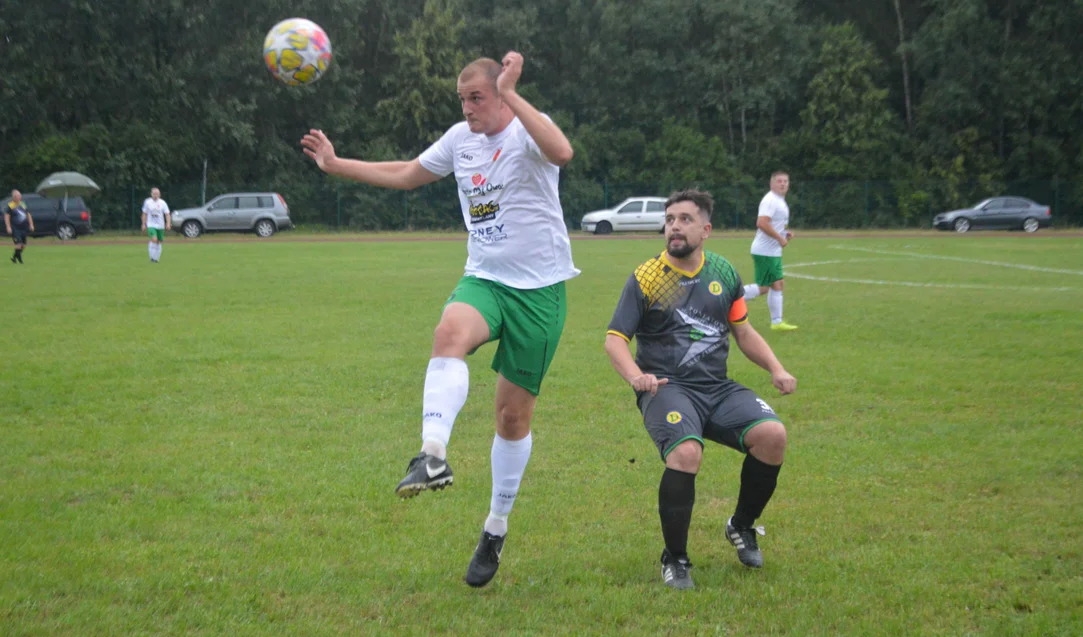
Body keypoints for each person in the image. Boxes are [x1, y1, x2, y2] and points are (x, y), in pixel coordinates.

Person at [300, 51, 578, 588]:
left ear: (501, 94)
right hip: (485, 279)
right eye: (462, 99)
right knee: (448, 331)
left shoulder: (526, 129)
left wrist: (513, 93)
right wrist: (336, 164)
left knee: (511, 420)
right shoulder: (459, 140)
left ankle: (495, 527)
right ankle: (432, 456)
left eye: (477, 98)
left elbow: (562, 152)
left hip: (540, 292)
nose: (468, 108)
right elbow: (408, 173)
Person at [604, 189, 797, 590]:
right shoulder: (647, 277)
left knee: (772, 435)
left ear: (705, 230)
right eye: (670, 219)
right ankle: (675, 558)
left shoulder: (723, 272)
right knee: (686, 453)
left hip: (716, 388)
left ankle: (741, 525)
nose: (674, 227)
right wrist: (636, 376)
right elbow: (614, 340)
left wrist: (776, 367)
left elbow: (743, 331)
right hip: (666, 388)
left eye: (685, 219)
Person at [743, 171, 797, 331]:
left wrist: (784, 234)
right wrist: (780, 238)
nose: (783, 184)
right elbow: (762, 223)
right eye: (779, 181)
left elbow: (773, 224)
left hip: (772, 251)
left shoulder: (780, 201)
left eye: (785, 181)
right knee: (764, 287)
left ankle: (777, 322)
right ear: (772, 184)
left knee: (777, 284)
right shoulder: (770, 200)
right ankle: (728, 299)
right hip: (765, 251)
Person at [5, 190, 35, 264]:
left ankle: (14, 258)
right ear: (14, 197)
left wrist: (31, 224)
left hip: (24, 227)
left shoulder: (23, 204)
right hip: (15, 228)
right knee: (18, 244)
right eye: (17, 196)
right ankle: (20, 260)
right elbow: (7, 216)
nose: (19, 197)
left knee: (23, 245)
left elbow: (28, 215)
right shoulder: (10, 205)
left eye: (19, 195)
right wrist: (8, 226)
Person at [141, 188, 171, 263]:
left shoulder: (163, 203)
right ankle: (152, 258)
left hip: (160, 225)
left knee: (159, 241)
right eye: (154, 194)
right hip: (151, 224)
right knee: (154, 239)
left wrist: (168, 223)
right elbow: (144, 213)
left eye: (157, 194)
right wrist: (144, 224)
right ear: (151, 194)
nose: (155, 195)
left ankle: (156, 259)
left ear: (159, 194)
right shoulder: (147, 202)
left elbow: (167, 214)